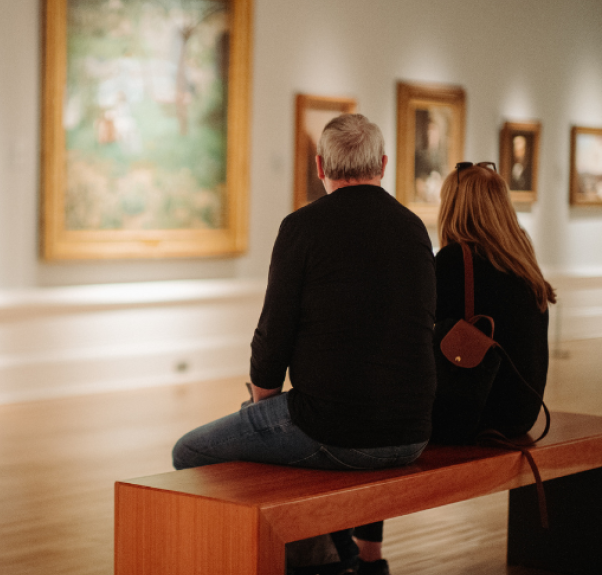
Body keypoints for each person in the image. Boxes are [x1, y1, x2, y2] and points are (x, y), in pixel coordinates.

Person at [172, 114, 437, 575]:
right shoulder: (413, 228)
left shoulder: (303, 228)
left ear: (320, 166)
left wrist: (261, 401)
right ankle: (347, 560)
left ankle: (332, 562)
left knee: (189, 452)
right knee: (301, 441)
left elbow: (274, 332)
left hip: (335, 428)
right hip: (412, 431)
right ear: (384, 164)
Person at [436, 162, 556, 437]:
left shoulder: (455, 260)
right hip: (522, 416)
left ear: (454, 207)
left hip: (478, 411)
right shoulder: (523, 263)